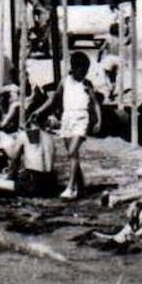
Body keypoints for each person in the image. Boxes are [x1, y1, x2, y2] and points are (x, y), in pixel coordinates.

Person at [36, 51, 99, 201]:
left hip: (82, 119)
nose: (84, 73)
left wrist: (98, 121)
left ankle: (70, 188)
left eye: (86, 70)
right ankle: (81, 186)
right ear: (74, 68)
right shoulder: (65, 82)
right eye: (82, 70)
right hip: (67, 119)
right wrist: (39, 111)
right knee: (73, 155)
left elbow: (95, 104)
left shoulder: (87, 84)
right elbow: (54, 100)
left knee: (72, 152)